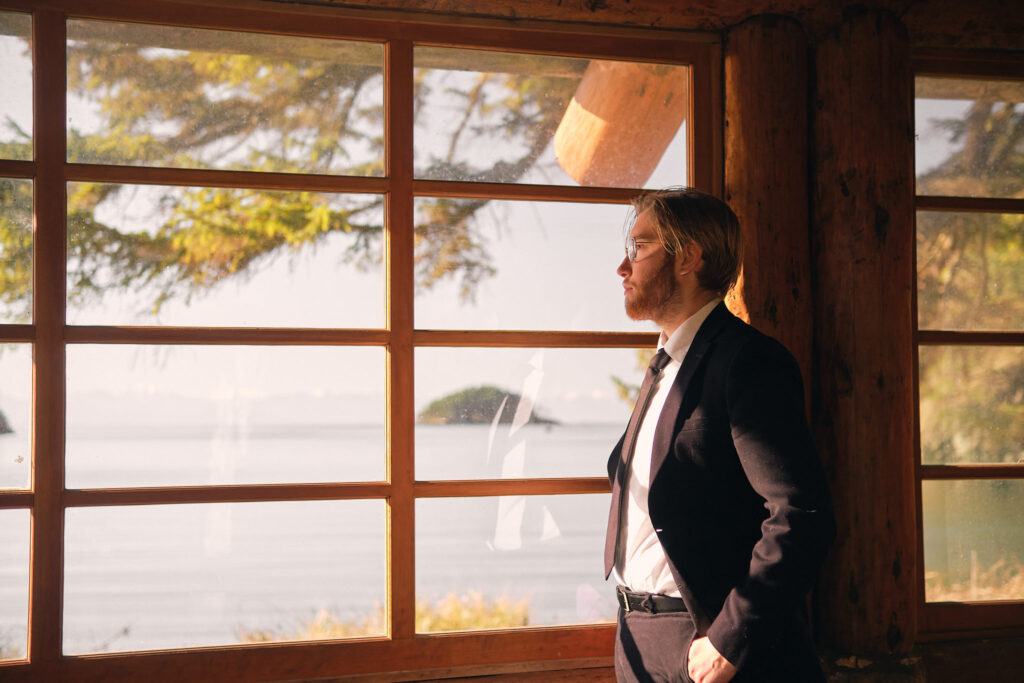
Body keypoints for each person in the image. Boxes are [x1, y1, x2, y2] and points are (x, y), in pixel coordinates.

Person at [604, 187, 835, 683]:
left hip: (713, 645)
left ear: (688, 257)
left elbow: (801, 514)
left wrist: (731, 640)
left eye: (639, 248)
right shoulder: (662, 366)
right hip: (637, 640)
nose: (623, 269)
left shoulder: (748, 361)